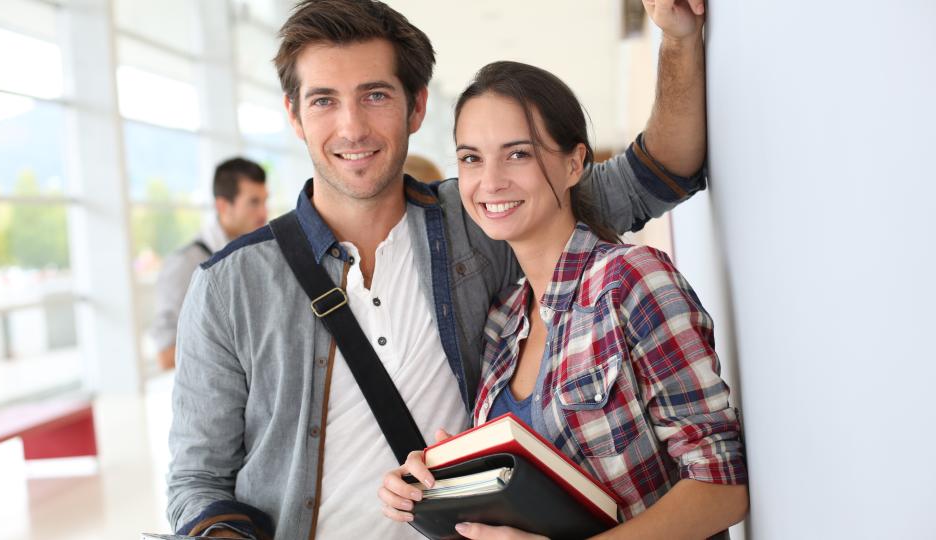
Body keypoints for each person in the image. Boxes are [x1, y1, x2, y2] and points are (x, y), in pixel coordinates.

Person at [166, 0, 710, 538]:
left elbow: (658, 172)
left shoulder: (482, 217)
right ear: (294, 115)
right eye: (324, 100)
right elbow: (197, 479)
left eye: (375, 95)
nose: (351, 127)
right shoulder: (229, 286)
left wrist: (678, 38)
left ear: (417, 106)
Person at [379, 59, 748, 539]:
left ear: (574, 163)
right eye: (471, 158)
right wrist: (431, 478)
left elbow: (721, 486)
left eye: (517, 154)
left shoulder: (630, 281)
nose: (489, 181)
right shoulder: (503, 322)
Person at [149, 157, 268, 370]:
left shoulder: (261, 256)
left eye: (264, 201)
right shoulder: (185, 264)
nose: (263, 213)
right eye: (253, 202)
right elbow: (165, 355)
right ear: (223, 206)